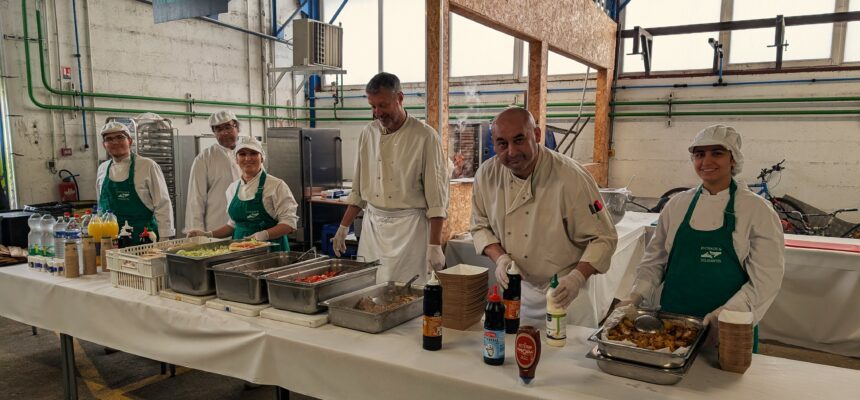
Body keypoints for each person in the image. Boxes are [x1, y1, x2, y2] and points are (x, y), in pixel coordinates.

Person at [618, 124, 784, 351]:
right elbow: (654, 261)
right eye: (699, 154)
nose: (706, 162)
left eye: (717, 153)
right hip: (671, 327)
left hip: (728, 331)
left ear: (733, 159)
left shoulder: (757, 211)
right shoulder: (677, 205)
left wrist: (724, 316)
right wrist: (635, 295)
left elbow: (766, 279)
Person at [470, 107, 618, 325]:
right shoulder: (486, 175)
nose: (511, 151)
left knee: (564, 356)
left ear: (537, 135)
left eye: (519, 140)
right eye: (502, 143)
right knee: (515, 353)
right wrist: (500, 259)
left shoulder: (571, 177)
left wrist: (577, 278)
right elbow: (479, 226)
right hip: (517, 291)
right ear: (494, 144)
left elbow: (604, 238)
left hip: (566, 293)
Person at [331, 72, 449, 283]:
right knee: (369, 289)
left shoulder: (425, 136)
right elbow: (358, 191)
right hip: (373, 228)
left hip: (410, 231)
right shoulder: (368, 133)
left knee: (409, 292)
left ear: (400, 98)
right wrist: (343, 227)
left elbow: (437, 200)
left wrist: (434, 245)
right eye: (373, 106)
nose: (377, 113)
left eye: (383, 105)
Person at [188, 138, 298, 251]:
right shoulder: (232, 189)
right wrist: (207, 235)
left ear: (262, 158)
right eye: (242, 154)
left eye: (254, 153)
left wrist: (263, 235)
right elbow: (232, 225)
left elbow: (289, 224)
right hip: (240, 250)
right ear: (236, 159)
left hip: (272, 251)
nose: (248, 158)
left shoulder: (276, 186)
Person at [97, 122, 175, 243]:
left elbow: (162, 204)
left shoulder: (147, 165)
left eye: (120, 137)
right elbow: (101, 206)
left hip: (143, 237)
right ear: (104, 145)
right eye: (109, 139)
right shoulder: (102, 169)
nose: (115, 142)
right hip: (111, 240)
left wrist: (165, 237)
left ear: (130, 141)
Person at [184, 111, 243, 235]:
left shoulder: (249, 154)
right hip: (216, 228)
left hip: (247, 228)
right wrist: (198, 232)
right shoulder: (204, 158)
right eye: (218, 129)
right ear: (214, 133)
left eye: (228, 127)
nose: (224, 132)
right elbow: (196, 199)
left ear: (237, 127)